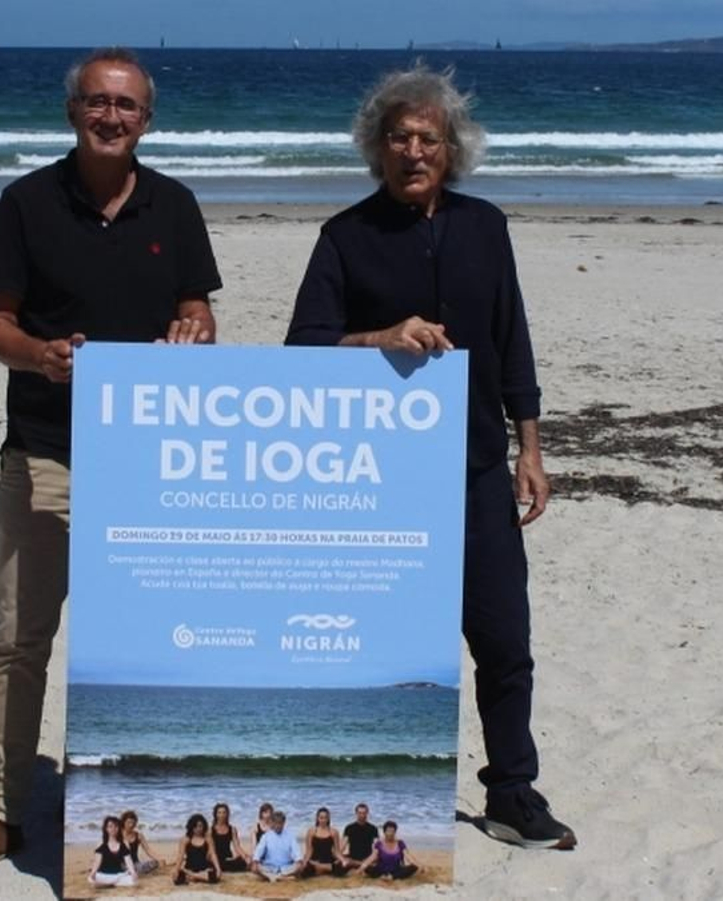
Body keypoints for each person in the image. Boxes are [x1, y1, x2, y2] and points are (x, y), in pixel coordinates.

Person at [0, 46, 222, 873]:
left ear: (147, 120)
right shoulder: (27, 202)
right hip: (47, 450)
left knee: (147, 640)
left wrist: (193, 334)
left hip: (151, 462)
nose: (111, 116)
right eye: (97, 102)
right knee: (23, 636)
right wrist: (39, 355)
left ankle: (151, 813)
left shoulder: (175, 205)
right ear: (72, 112)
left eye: (127, 106)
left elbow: (197, 311)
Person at [284, 65, 575, 851]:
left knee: (504, 639)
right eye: (400, 138)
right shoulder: (344, 237)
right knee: (385, 651)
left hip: (478, 469)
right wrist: (376, 339)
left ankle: (512, 792)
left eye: (430, 139)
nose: (415, 151)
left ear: (452, 150)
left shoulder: (487, 227)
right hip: (380, 483)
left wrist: (531, 447)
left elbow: (513, 340)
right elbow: (302, 350)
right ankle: (372, 799)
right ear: (377, 148)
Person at [250, 810, 303, 882]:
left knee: (300, 867)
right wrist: (255, 860)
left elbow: (296, 850)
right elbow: (259, 850)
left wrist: (299, 860)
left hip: (286, 867)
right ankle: (279, 877)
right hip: (269, 867)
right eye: (276, 823)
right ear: (272, 823)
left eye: (280, 823)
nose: (278, 825)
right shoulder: (266, 836)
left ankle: (275, 877)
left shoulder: (290, 836)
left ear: (284, 823)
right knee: (254, 867)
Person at [87, 815, 139, 888]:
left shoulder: (123, 845)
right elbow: (97, 862)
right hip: (104, 875)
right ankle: (112, 884)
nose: (113, 829)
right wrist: (93, 872)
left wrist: (133, 872)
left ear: (119, 828)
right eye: (110, 826)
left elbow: (128, 861)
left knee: (134, 882)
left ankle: (110, 884)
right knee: (92, 880)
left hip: (119, 875)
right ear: (106, 829)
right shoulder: (101, 844)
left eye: (116, 826)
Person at [172, 813, 223, 885]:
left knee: (216, 876)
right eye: (195, 826)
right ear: (191, 827)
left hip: (204, 869)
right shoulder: (185, 839)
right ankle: (199, 877)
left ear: (204, 826)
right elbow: (180, 856)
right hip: (190, 867)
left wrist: (218, 868)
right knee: (177, 879)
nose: (198, 829)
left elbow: (213, 854)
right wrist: (176, 869)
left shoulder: (208, 838)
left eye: (200, 826)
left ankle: (193, 876)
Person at [299, 806, 347, 877]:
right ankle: (323, 869)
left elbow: (337, 851)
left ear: (328, 819)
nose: (323, 820)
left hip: (328, 861)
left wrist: (343, 860)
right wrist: (305, 861)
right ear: (317, 818)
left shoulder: (333, 832)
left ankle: (321, 869)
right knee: (305, 871)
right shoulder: (311, 831)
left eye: (325, 818)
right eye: (321, 818)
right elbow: (309, 851)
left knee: (341, 869)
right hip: (315, 861)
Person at [209, 801, 251, 872]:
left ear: (227, 814)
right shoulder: (211, 830)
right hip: (215, 858)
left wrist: (245, 857)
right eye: (219, 813)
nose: (222, 815)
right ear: (215, 815)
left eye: (224, 812)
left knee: (243, 862)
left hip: (228, 858)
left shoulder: (232, 829)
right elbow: (211, 849)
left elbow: (237, 847)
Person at [120, 809, 164, 875]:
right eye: (128, 822)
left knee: (154, 863)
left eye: (133, 823)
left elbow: (148, 850)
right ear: (123, 822)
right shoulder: (118, 835)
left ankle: (133, 872)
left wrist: (159, 859)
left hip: (136, 864)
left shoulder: (139, 835)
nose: (131, 825)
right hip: (122, 865)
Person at [341, 802, 378, 871]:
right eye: (360, 813)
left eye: (364, 813)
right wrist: (339, 856)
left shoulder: (373, 828)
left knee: (377, 857)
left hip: (367, 858)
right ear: (356, 813)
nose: (362, 815)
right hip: (353, 857)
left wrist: (373, 857)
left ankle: (362, 864)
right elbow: (343, 844)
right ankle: (362, 864)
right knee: (342, 859)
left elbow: (376, 847)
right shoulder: (349, 828)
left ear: (367, 813)